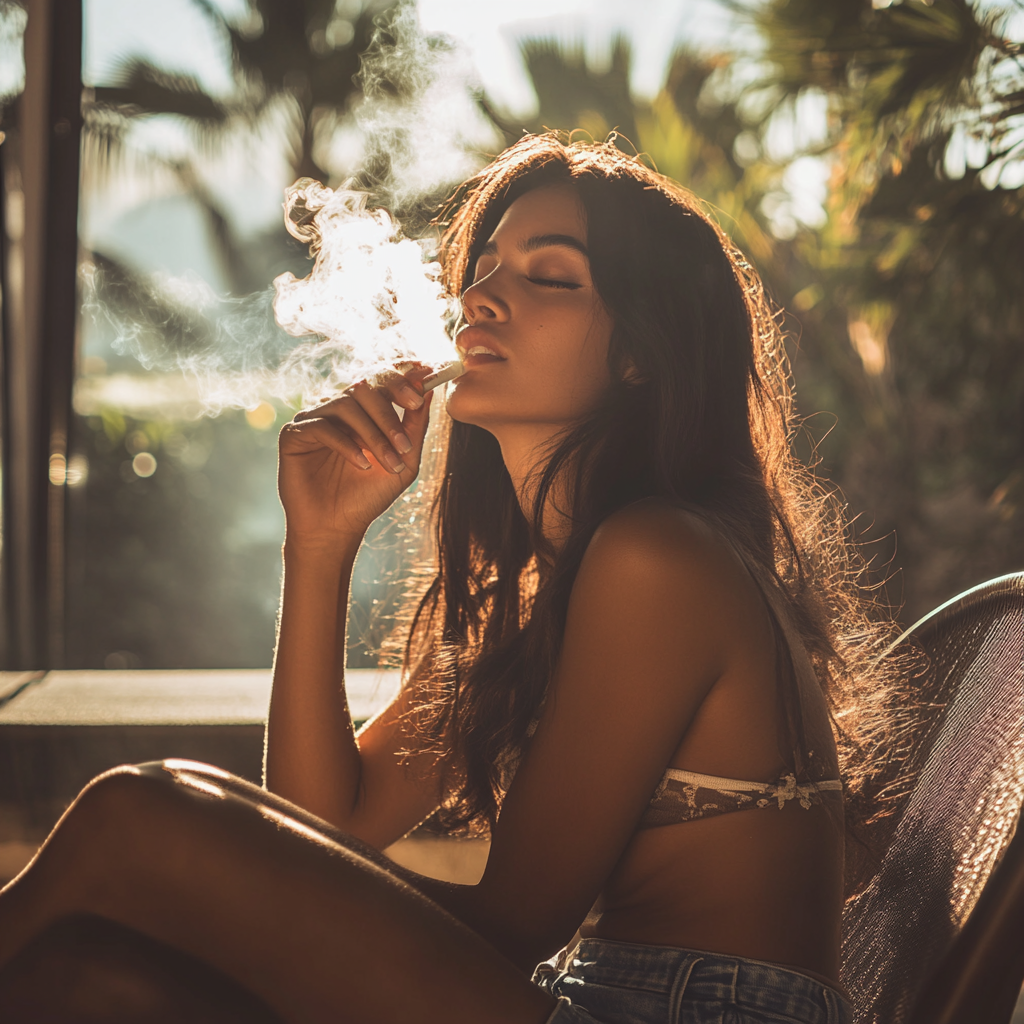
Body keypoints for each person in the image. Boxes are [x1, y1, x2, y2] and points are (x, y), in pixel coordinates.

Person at [0, 135, 890, 1023]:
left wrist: (232, 874)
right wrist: (320, 544)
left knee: (138, 816)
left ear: (640, 355)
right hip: (595, 999)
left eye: (549, 277)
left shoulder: (656, 560)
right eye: (487, 266)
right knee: (90, 982)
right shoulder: (541, 599)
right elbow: (329, 822)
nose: (482, 296)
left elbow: (512, 920)